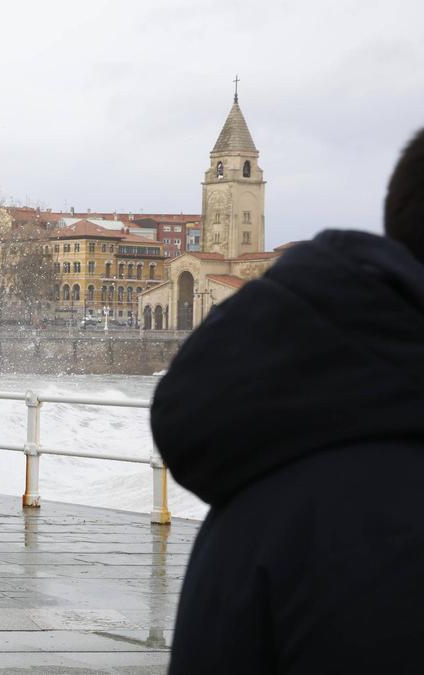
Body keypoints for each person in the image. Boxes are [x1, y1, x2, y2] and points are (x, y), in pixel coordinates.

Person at [153, 128, 424, 674]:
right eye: (230, 165)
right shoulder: (386, 513)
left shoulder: (257, 477)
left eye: (240, 165)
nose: (236, 171)